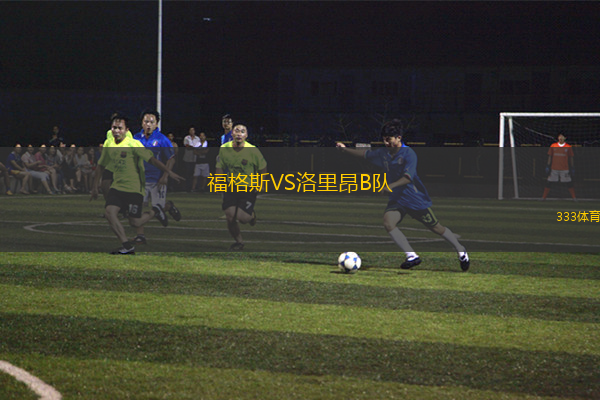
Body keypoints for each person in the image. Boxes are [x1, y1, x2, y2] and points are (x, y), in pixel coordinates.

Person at [336, 119, 470, 271]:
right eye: (384, 140)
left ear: (398, 138)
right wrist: (345, 150)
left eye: (389, 140)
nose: (386, 143)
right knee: (388, 222)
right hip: (397, 200)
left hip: (414, 199)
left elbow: (408, 177)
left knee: (437, 228)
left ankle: (461, 250)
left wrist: (390, 186)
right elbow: (365, 154)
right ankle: (411, 256)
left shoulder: (409, 154)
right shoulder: (384, 153)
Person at [90, 113, 183, 255]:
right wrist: (95, 186)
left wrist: (168, 172)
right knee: (109, 212)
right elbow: (101, 165)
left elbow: (152, 160)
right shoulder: (109, 143)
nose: (116, 131)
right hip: (117, 187)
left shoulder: (133, 144)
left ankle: (156, 210)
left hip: (134, 188)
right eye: (114, 128)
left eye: (120, 128)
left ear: (126, 130)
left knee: (135, 222)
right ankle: (127, 246)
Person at [131, 109, 181, 245]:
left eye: (152, 122)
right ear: (142, 122)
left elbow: (171, 159)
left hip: (157, 180)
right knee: (139, 208)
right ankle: (140, 235)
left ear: (156, 124)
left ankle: (168, 206)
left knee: (157, 207)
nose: (148, 124)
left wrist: (165, 176)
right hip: (140, 180)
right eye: (146, 121)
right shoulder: (135, 138)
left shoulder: (162, 139)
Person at [215, 123, 267, 251]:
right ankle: (239, 242)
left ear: (246, 135)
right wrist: (217, 183)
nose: (239, 134)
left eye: (242, 131)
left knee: (243, 218)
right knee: (230, 216)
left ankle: (251, 215)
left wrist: (262, 183)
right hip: (231, 186)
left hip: (248, 188)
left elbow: (263, 168)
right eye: (237, 131)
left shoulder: (253, 150)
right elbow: (220, 166)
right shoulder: (224, 148)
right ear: (232, 134)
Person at [542, 133, 576, 201]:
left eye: (562, 136)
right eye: (559, 136)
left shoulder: (568, 147)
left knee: (569, 183)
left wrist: (572, 167)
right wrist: (548, 166)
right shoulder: (553, 145)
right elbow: (550, 156)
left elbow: (571, 157)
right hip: (554, 168)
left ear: (565, 138)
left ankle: (574, 198)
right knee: (549, 182)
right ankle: (543, 198)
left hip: (565, 169)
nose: (560, 138)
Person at [183, 125, 200, 191]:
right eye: (190, 130)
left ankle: (193, 187)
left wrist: (193, 147)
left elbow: (198, 147)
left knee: (194, 173)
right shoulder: (186, 138)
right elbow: (187, 146)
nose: (191, 131)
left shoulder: (197, 138)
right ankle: (187, 187)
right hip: (187, 158)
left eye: (193, 130)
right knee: (187, 173)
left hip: (194, 158)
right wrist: (193, 147)